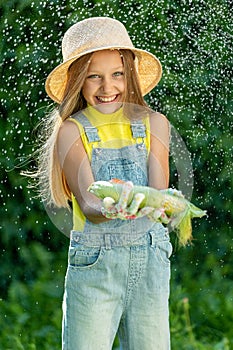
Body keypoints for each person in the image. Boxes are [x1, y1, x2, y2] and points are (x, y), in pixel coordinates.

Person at [40, 17, 172, 349]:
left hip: (150, 263)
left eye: (117, 74)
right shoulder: (72, 130)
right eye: (93, 77)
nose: (107, 86)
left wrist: (165, 207)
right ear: (77, 83)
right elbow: (88, 203)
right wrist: (114, 205)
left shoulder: (156, 124)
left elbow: (158, 193)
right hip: (96, 265)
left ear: (130, 76)